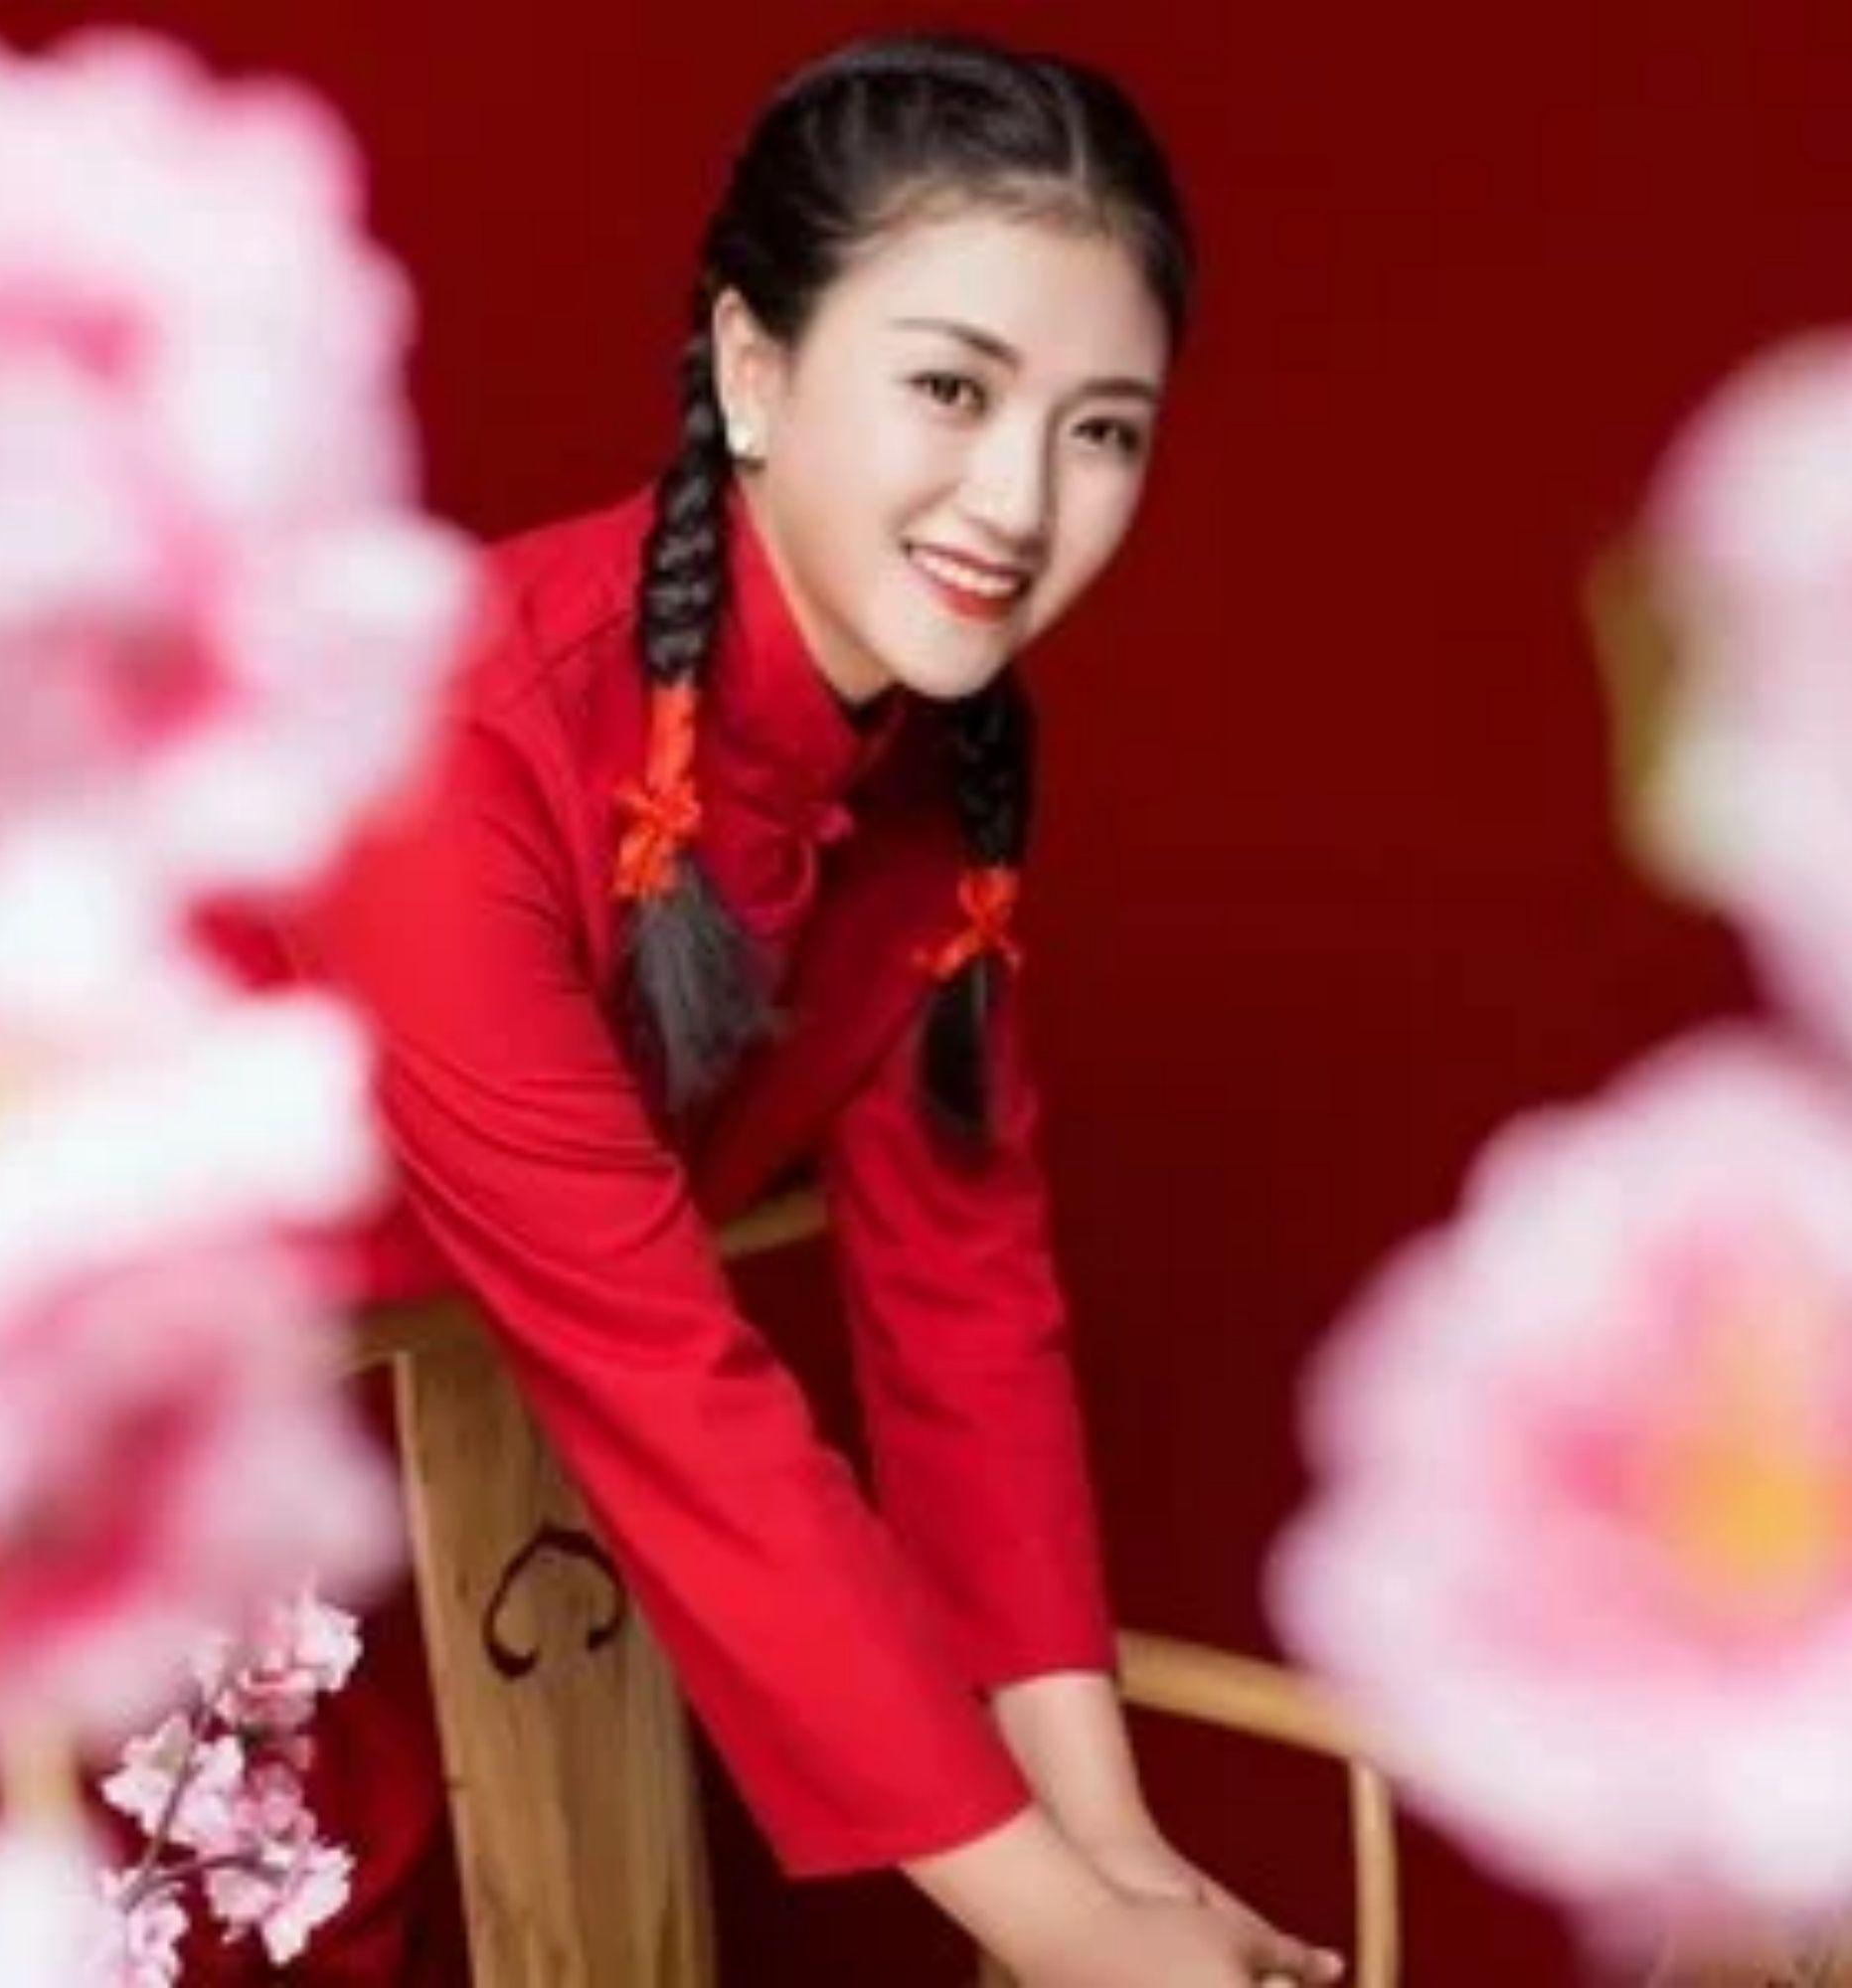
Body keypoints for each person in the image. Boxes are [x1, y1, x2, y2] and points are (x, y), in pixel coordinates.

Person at [260, 28, 1342, 1987]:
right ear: (752, 371)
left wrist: (1120, 1863)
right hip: (122, 1443)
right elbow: (675, 1382)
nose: (1020, 498)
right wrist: (1056, 1926)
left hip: (408, 1488)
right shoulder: (456, 742)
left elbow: (970, 1323)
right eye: (952, 387)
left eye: (1102, 429)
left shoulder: (929, 778)